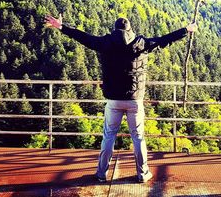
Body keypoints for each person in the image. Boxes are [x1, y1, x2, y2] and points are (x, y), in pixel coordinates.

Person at [45, 14, 197, 183]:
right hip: (135, 100)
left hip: (113, 100)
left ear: (114, 29)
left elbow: (84, 38)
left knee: (109, 136)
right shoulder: (141, 43)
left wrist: (61, 27)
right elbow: (164, 40)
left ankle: (101, 174)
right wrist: (186, 30)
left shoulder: (105, 43)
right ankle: (143, 173)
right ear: (130, 29)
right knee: (138, 138)